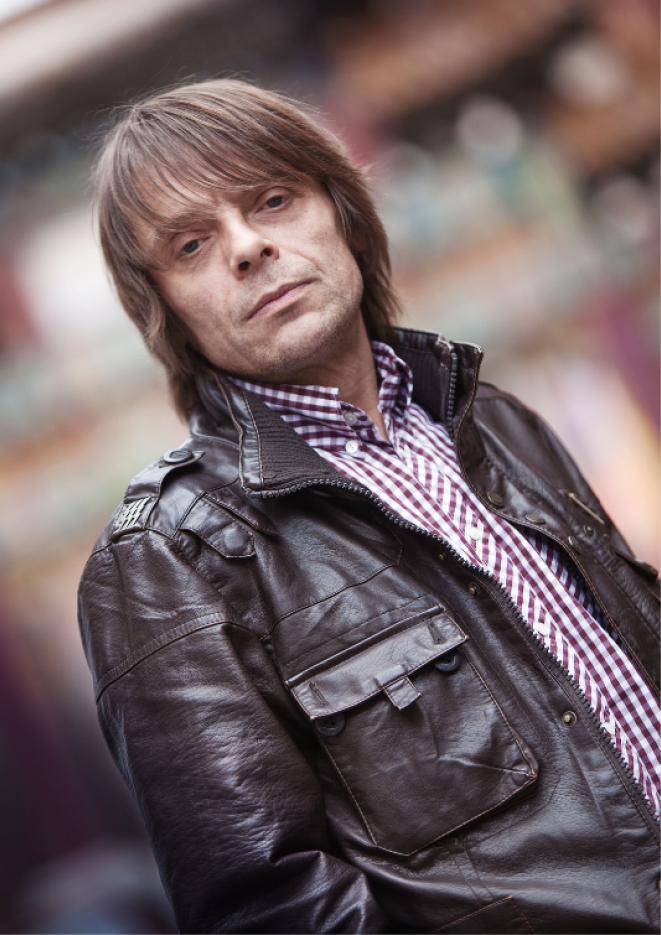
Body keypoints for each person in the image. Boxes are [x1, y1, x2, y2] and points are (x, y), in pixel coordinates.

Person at [77, 79, 660, 934]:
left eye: (272, 200)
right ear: (166, 310)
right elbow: (273, 909)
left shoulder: (495, 420)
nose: (247, 248)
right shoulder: (167, 561)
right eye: (192, 246)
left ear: (342, 212)